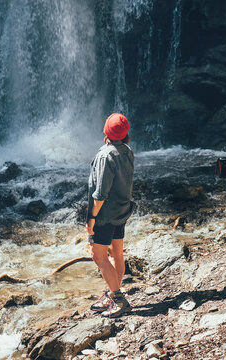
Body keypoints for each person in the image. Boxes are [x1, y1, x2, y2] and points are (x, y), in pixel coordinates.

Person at [86, 112, 135, 318]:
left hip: (105, 215)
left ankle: (118, 298)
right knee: (117, 254)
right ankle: (111, 295)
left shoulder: (105, 156)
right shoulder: (127, 151)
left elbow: (100, 194)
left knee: (98, 256)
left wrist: (91, 219)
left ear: (105, 131)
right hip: (122, 210)